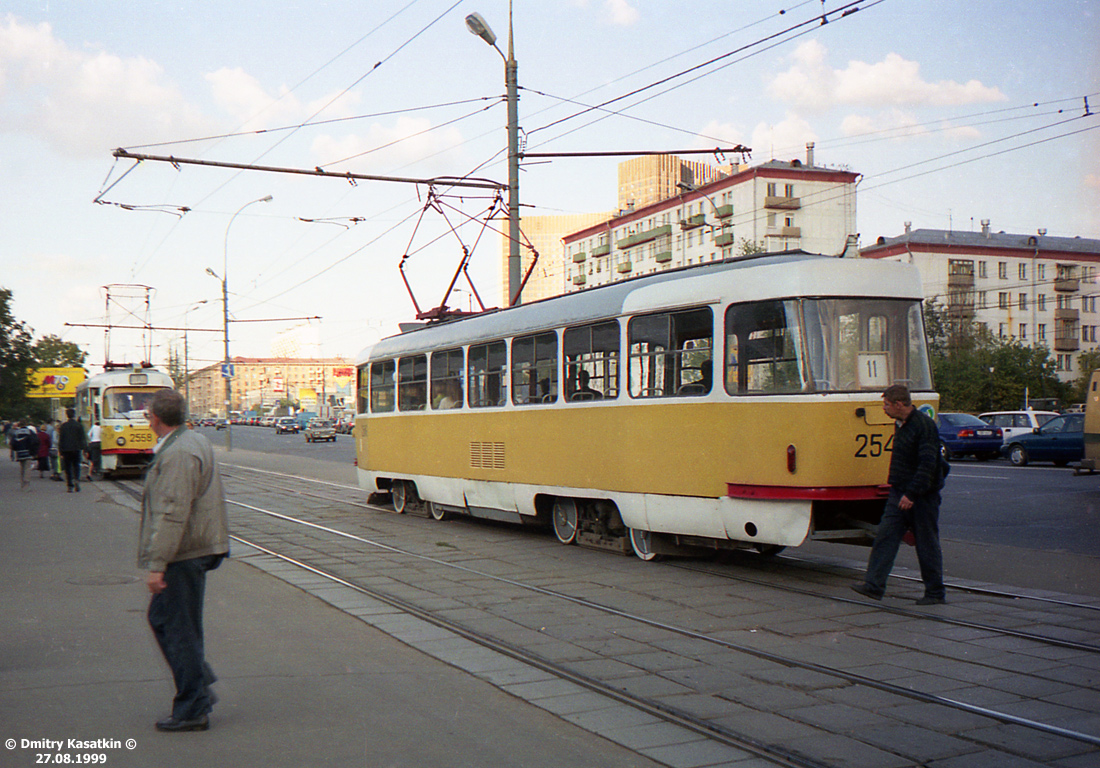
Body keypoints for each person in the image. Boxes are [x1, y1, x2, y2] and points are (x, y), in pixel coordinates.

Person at [139, 388, 229, 732]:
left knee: (178, 628)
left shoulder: (178, 453)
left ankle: (192, 707)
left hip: (183, 552)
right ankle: (198, 686)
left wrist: (157, 564)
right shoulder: (192, 440)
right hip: (191, 549)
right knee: (166, 620)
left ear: (155, 418)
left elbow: (173, 513)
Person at [852, 384, 947, 605]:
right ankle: (873, 586)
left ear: (899, 404)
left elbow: (928, 464)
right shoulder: (901, 424)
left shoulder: (923, 426)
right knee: (885, 537)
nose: (883, 408)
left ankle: (935, 592)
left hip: (920, 496)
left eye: (886, 404)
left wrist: (912, 494)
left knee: (927, 543)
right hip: (899, 492)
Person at [57, 408, 87, 493]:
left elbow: (61, 439)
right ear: (74, 415)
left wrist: (61, 450)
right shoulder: (79, 425)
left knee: (68, 468)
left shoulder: (63, 426)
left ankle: (69, 485)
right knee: (76, 466)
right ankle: (76, 480)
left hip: (66, 450)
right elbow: (82, 438)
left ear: (67, 415)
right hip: (76, 449)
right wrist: (84, 449)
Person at [10, 420, 38, 489]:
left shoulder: (16, 432)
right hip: (28, 452)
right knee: (27, 468)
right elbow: (35, 441)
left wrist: (16, 449)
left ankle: (22, 482)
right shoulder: (30, 432)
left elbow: (13, 443)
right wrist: (34, 452)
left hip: (20, 453)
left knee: (22, 468)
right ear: (26, 424)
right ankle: (26, 483)